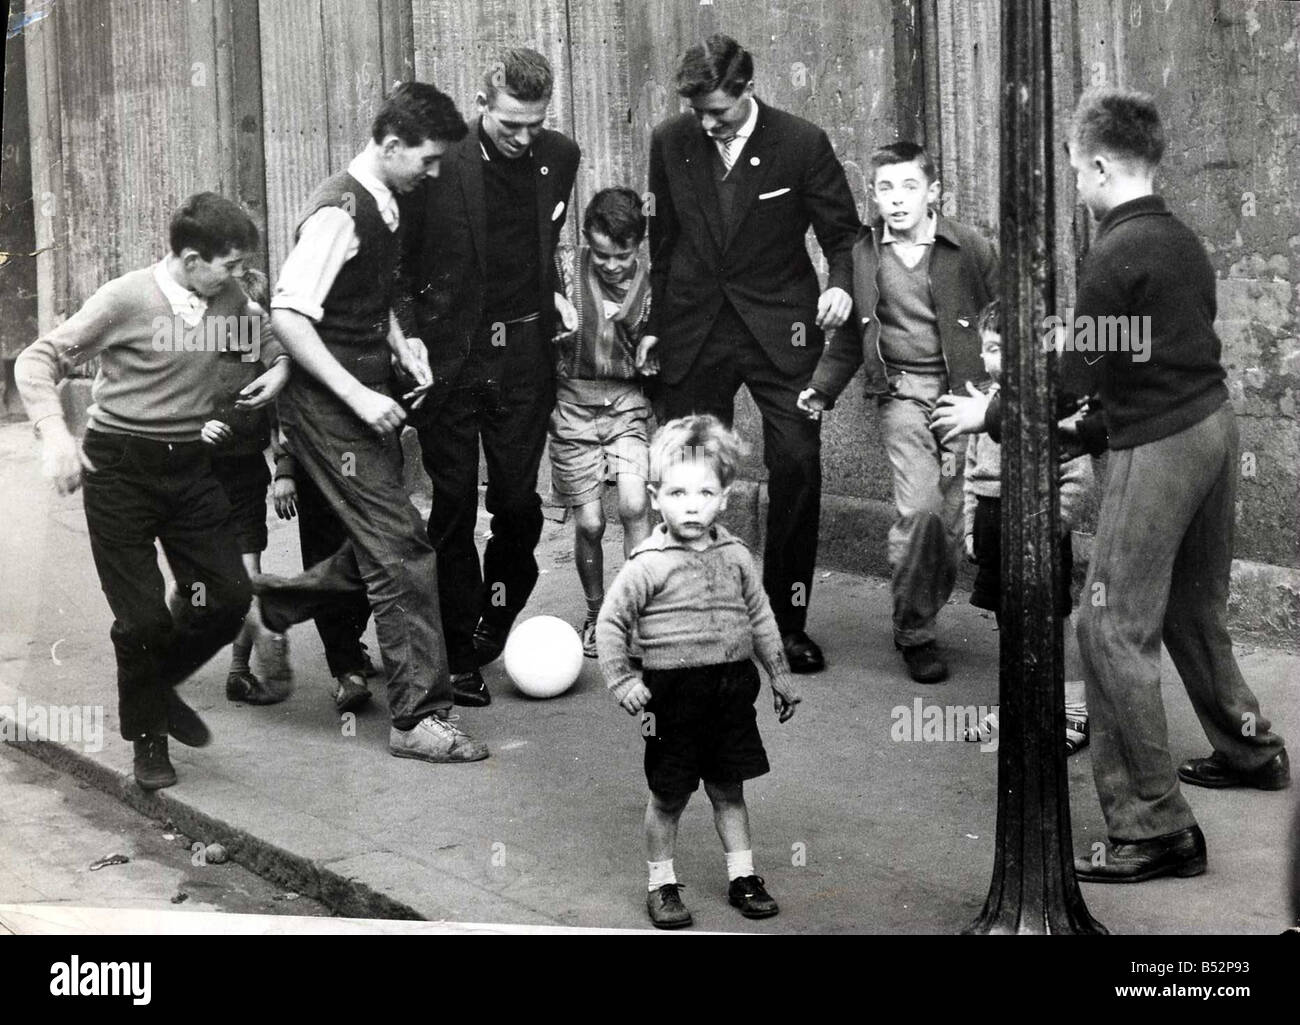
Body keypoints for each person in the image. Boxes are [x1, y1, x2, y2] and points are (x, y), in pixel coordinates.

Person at [14, 192, 291, 789]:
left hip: (191, 467)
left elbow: (266, 344)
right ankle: (148, 739)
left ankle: (156, 686)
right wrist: (56, 436)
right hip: (118, 469)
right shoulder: (126, 299)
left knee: (227, 593)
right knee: (141, 620)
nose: (241, 277)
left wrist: (280, 369)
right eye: (231, 264)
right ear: (192, 260)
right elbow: (37, 361)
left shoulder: (229, 299)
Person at [255, 82, 488, 764]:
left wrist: (399, 342)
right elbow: (289, 315)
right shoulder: (338, 211)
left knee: (394, 537)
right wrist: (359, 395)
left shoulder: (385, 202)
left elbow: (373, 292)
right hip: (327, 406)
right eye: (428, 159)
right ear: (390, 145)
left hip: (359, 388)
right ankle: (417, 717)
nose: (436, 173)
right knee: (402, 549)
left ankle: (274, 603)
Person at [646, 33, 860, 674]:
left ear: (747, 89)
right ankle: (689, 615)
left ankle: (785, 624)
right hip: (695, 330)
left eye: (719, 111)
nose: (707, 125)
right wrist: (656, 324)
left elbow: (843, 235)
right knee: (687, 474)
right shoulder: (670, 141)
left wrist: (843, 285)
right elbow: (665, 242)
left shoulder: (800, 142)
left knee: (796, 462)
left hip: (780, 332)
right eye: (698, 113)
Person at [399, 48, 581, 708]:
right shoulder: (437, 163)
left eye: (535, 124)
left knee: (519, 504)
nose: (524, 138)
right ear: (481, 107)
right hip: (451, 358)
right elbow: (400, 263)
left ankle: (491, 621)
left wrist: (557, 292)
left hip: (523, 355)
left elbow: (541, 243)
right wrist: (409, 338)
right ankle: (456, 650)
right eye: (510, 125)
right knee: (451, 506)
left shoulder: (560, 156)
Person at [798, 141, 997, 684]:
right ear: (875, 195)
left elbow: (1006, 313)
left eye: (910, 186)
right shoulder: (865, 254)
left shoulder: (968, 246)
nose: (897, 199)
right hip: (902, 392)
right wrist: (822, 388)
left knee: (953, 520)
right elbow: (851, 338)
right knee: (920, 510)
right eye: (885, 188)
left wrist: (1001, 391)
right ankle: (915, 631)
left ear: (933, 192)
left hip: (966, 395)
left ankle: (922, 607)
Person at [597, 414, 801, 930]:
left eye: (705, 493)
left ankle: (744, 876)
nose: (691, 504)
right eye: (677, 492)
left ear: (726, 497)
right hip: (671, 697)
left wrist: (778, 673)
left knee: (729, 788)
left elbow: (759, 617)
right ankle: (662, 884)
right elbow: (611, 622)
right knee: (669, 795)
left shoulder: (736, 556)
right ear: (653, 494)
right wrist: (623, 681)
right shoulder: (647, 563)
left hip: (731, 692)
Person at [957, 298, 1093, 753]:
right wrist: (973, 526)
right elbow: (972, 472)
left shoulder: (1051, 408)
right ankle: (1016, 706)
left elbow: (1076, 475)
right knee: (1007, 619)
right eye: (988, 349)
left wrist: (1051, 525)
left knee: (1053, 618)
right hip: (997, 524)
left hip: (1038, 528)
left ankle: (1073, 710)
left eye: (1003, 350)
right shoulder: (985, 404)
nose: (993, 360)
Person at [178, 266, 292, 707]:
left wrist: (284, 472)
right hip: (197, 483)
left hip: (246, 479)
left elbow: (286, 421)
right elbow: (164, 407)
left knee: (248, 577)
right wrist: (196, 427)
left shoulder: (269, 361)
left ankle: (240, 672)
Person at [549, 187, 655, 657]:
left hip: (627, 402)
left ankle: (639, 615)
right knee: (589, 523)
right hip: (571, 406)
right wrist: (552, 304)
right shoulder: (565, 268)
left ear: (639, 245)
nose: (612, 264)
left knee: (634, 504)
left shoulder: (653, 283)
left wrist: (654, 346)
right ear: (587, 240)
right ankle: (597, 613)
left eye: (623, 255)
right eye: (603, 253)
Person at [268, 429, 376, 714]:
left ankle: (350, 644)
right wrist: (285, 469)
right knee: (325, 558)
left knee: (371, 560)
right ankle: (348, 670)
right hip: (316, 458)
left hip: (370, 459)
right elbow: (284, 405)